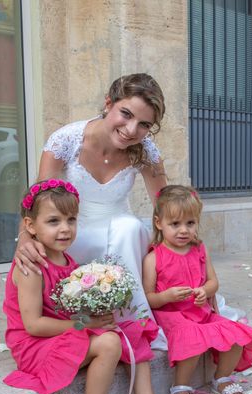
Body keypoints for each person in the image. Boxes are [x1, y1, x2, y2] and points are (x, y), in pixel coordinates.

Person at [3, 179, 190, 394]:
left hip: (61, 333)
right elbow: (34, 324)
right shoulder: (31, 268)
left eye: (71, 219)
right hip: (36, 345)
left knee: (132, 328)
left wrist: (99, 312)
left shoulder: (69, 263)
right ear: (31, 226)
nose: (65, 228)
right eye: (53, 221)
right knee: (109, 343)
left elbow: (69, 309)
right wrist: (85, 324)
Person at [14, 73, 167, 350]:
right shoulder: (66, 140)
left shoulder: (145, 151)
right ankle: (79, 317)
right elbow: (39, 198)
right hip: (73, 228)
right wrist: (25, 238)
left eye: (144, 124)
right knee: (60, 239)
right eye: (126, 114)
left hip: (118, 224)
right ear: (108, 103)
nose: (132, 130)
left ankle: (133, 322)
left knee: (130, 228)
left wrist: (179, 252)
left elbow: (165, 208)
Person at [143, 185, 252, 394]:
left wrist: (205, 292)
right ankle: (180, 386)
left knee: (237, 336)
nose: (183, 230)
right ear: (159, 223)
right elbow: (148, 298)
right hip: (173, 317)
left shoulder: (199, 250)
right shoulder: (154, 258)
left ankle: (222, 378)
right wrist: (166, 296)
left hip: (201, 313)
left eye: (190, 223)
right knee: (192, 339)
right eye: (175, 224)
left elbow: (213, 282)